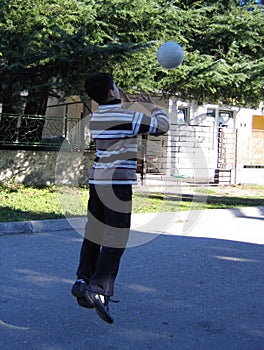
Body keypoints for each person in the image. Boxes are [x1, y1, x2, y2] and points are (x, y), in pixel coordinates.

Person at [71, 72, 170, 324]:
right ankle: (99, 289)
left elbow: (119, 122)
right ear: (112, 92)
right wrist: (152, 107)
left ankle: (83, 279)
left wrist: (126, 107)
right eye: (116, 86)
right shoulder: (127, 117)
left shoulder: (96, 118)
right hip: (118, 185)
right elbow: (162, 127)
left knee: (95, 233)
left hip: (97, 181)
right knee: (116, 237)